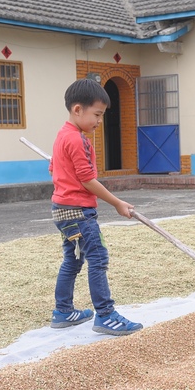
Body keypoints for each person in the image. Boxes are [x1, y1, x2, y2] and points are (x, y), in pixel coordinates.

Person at [48, 78, 143, 336]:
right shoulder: (77, 140)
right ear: (77, 109)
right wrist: (117, 203)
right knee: (97, 258)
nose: (99, 122)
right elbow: (87, 180)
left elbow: (53, 169)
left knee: (74, 258)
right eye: (97, 115)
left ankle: (63, 311)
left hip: (61, 208)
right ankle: (105, 315)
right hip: (79, 211)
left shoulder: (62, 136)